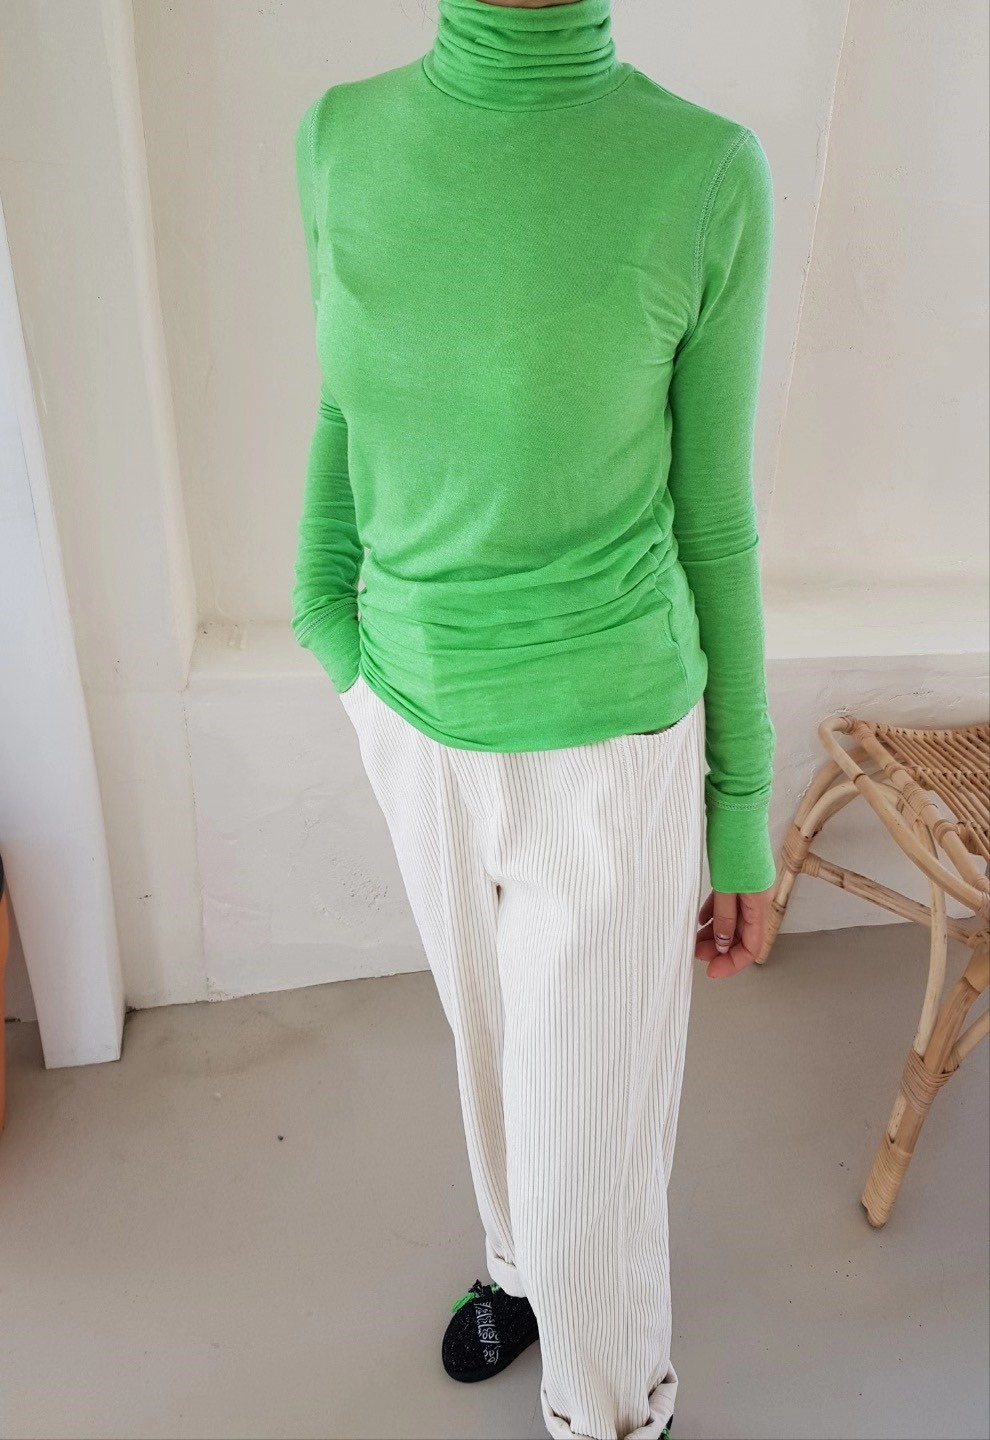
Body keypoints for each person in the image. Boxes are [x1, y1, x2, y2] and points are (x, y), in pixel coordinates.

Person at [291, 0, 777, 1435]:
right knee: (490, 1056)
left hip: (606, 747)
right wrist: (326, 615)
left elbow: (717, 518)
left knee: (590, 1147)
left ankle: (615, 1409)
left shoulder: (702, 170)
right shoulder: (339, 138)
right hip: (410, 714)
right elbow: (346, 407)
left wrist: (739, 807)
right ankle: (514, 1272)